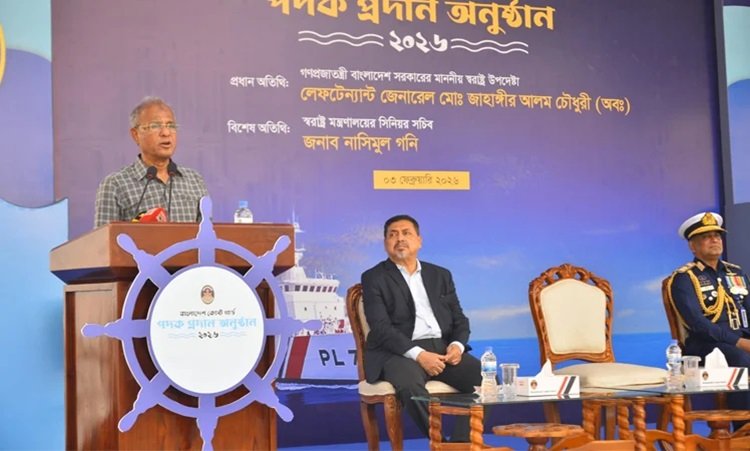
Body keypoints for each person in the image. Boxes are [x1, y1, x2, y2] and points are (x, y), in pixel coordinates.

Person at [360, 214, 482, 441]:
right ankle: (440, 445)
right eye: (393, 234)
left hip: (443, 350)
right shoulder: (374, 277)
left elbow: (459, 319)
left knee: (487, 381)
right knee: (409, 385)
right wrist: (420, 355)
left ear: (419, 240)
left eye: (406, 233)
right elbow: (381, 328)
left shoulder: (440, 275)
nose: (400, 239)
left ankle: (460, 444)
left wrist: (457, 346)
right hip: (398, 352)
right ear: (385, 243)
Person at [666, 212, 750, 425]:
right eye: (706, 237)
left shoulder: (736, 273)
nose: (714, 240)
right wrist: (739, 342)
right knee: (741, 359)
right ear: (692, 246)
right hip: (705, 345)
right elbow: (697, 323)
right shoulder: (684, 278)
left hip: (742, 341)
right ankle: (743, 432)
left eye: (717, 235)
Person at [94, 96, 208, 227]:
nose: (166, 133)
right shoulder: (115, 185)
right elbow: (104, 238)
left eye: (171, 126)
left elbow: (207, 234)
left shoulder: (194, 181)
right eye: (155, 126)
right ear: (136, 134)